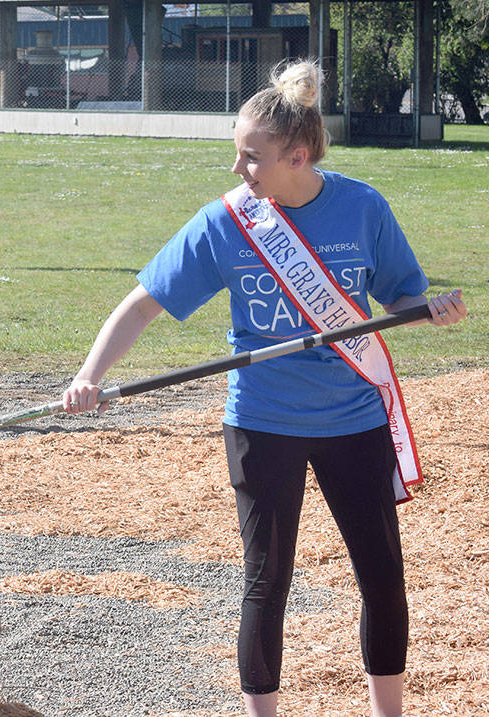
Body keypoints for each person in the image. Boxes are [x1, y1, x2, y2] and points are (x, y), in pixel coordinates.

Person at [59, 60, 465, 717]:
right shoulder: (227, 223)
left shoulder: (363, 208)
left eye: (251, 157)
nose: (237, 170)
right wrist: (88, 376)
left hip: (353, 421)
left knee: (384, 580)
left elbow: (401, 295)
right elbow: (141, 305)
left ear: (297, 156)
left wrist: (431, 306)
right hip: (262, 422)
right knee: (265, 581)